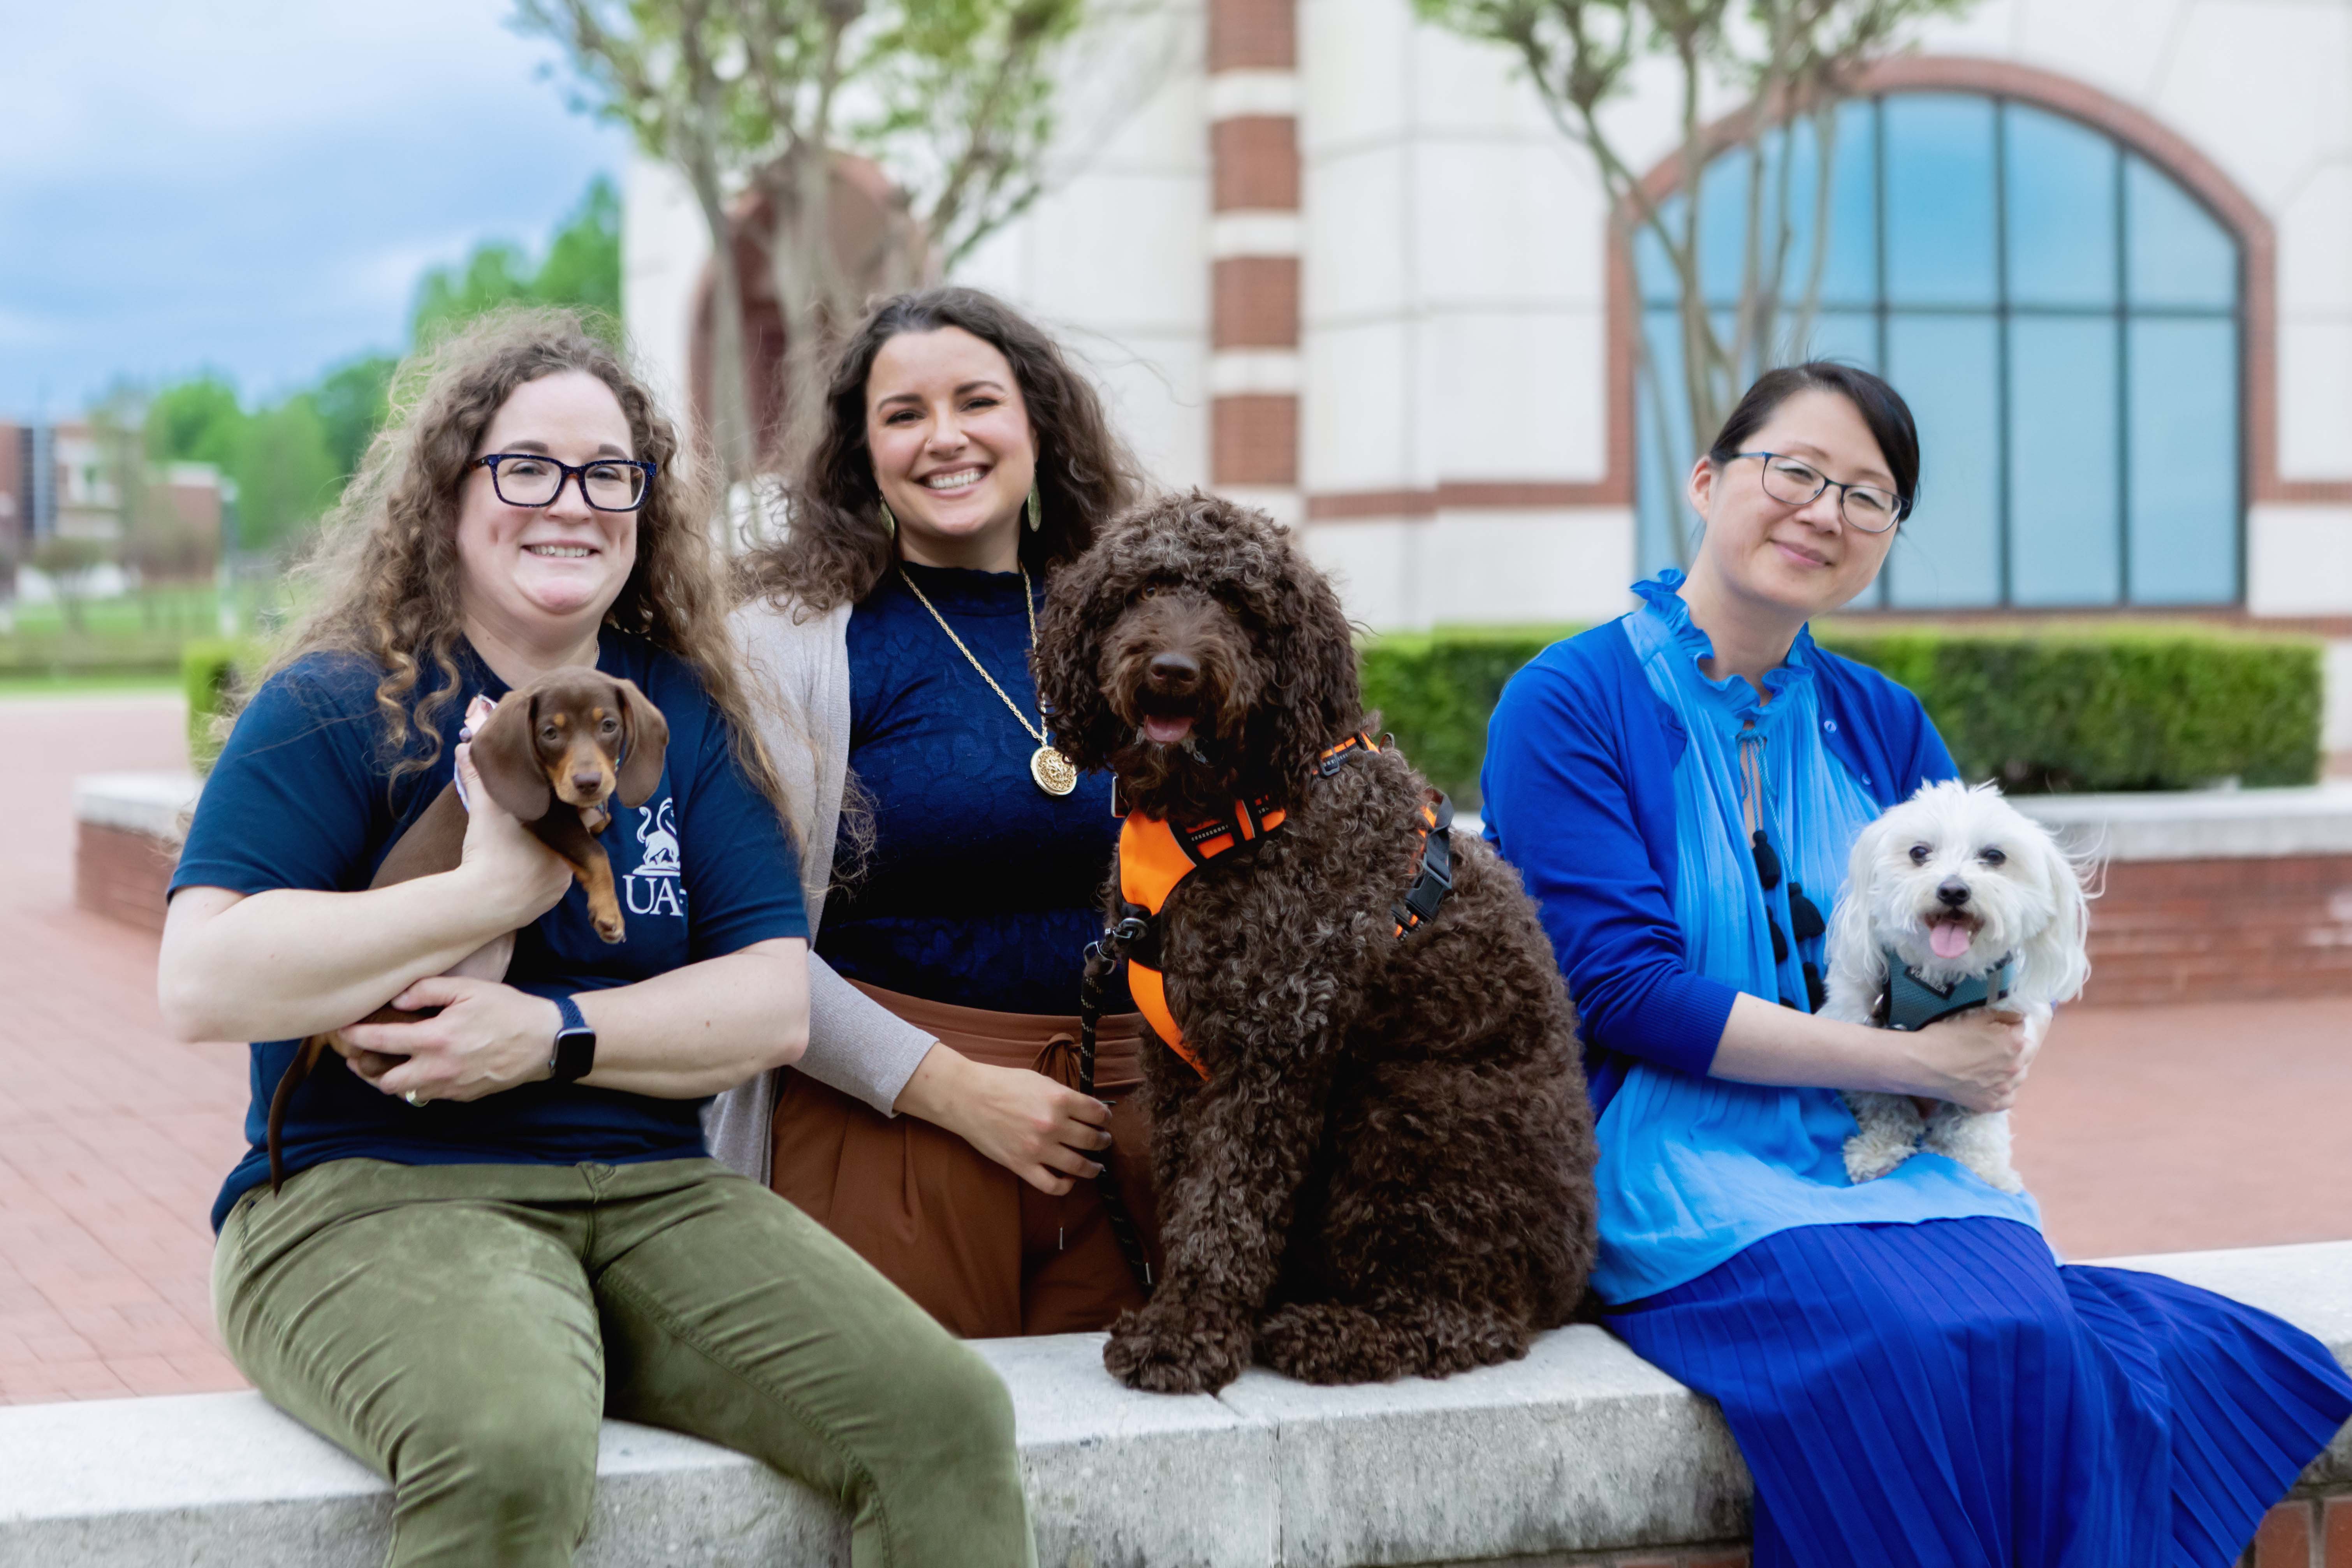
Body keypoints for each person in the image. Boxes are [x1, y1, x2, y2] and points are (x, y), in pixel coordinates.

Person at [158, 310, 1034, 1568]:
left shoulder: (673, 712)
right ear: (451, 492)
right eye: (525, 467)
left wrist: (550, 1036)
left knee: (946, 1420)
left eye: (608, 474)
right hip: (370, 1195)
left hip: (656, 1191)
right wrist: (479, 897)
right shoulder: (346, 697)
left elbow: (770, 1004)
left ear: (644, 505)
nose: (570, 503)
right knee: (509, 1443)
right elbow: (202, 977)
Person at [1481, 361, 2352, 1566]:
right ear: (1706, 478)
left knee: (2028, 1328)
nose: (1823, 510)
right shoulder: (1566, 702)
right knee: (1892, 1338)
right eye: (1794, 469)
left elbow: (1966, 946)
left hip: (1886, 1139)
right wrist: (1917, 1058)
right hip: (1671, 1147)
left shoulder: (1883, 719)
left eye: (1866, 495)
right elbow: (1621, 992)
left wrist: (1985, 1041)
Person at [714, 286, 1156, 1339]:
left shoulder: (1149, 626)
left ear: (1039, 425)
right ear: (859, 455)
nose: (944, 438)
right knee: (927, 1475)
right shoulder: (782, 648)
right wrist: (953, 1089)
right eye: (903, 414)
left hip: (1137, 1140)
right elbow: (741, 938)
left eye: (976, 401)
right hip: (890, 1128)